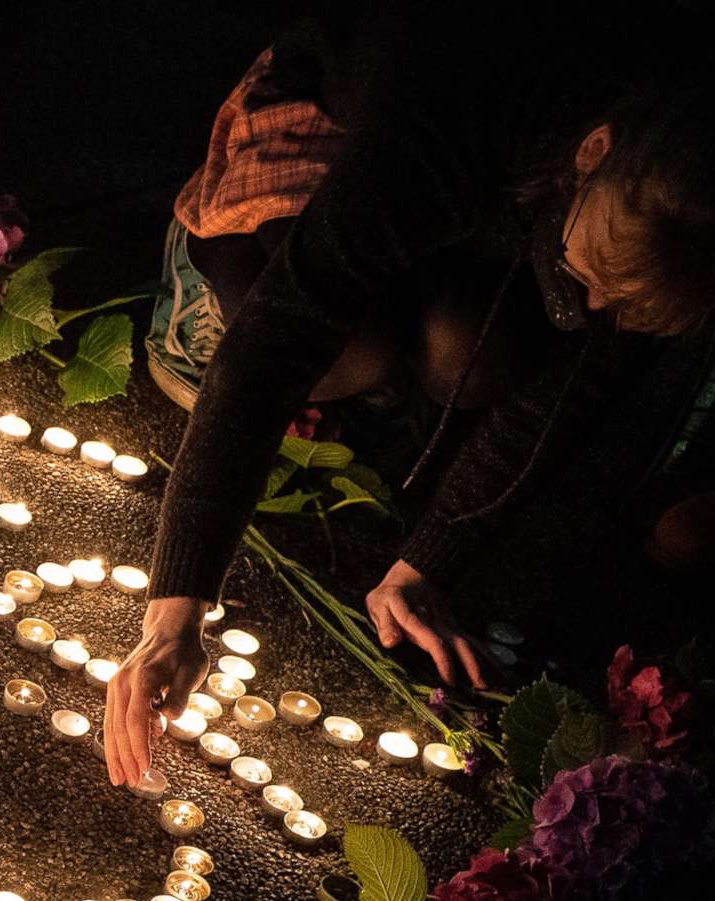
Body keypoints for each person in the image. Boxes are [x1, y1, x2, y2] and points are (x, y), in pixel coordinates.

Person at [105, 4, 715, 791]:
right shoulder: (439, 108)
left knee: (472, 360)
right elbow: (276, 344)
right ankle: (203, 263)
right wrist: (176, 607)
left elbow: (576, 382)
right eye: (600, 280)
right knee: (335, 355)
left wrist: (423, 563)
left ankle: (413, 326)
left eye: (627, 306)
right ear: (594, 151)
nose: (597, 313)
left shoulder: (683, 218)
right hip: (333, 111)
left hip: (506, 211)